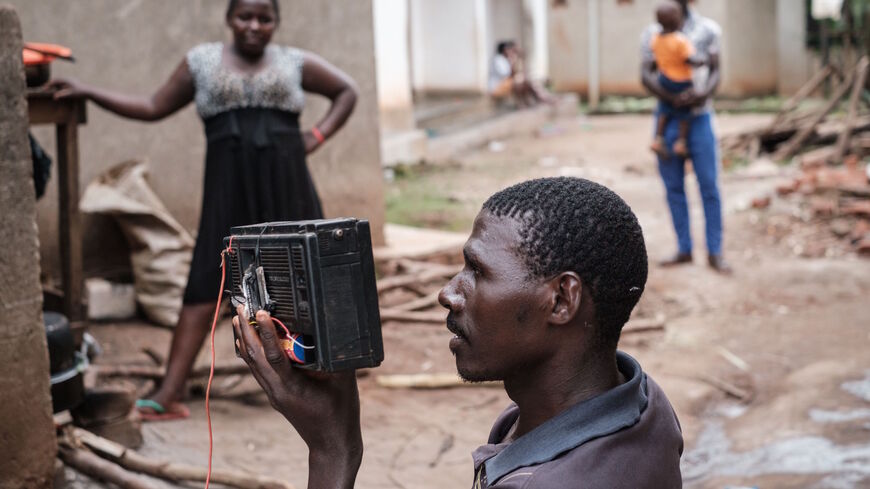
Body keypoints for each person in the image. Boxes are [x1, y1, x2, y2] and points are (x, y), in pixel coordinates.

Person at [234, 177, 684, 488]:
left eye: (478, 270)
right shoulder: (643, 402)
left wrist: (333, 451)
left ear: (562, 300)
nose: (448, 294)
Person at [50, 0, 358, 420]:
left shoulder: (294, 61)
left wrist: (316, 136)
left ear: (276, 23)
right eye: (244, 16)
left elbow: (347, 91)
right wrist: (89, 91)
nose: (254, 26)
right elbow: (152, 106)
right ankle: (170, 391)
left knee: (306, 274)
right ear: (229, 19)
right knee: (206, 282)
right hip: (228, 188)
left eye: (264, 18)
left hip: (287, 182)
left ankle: (328, 375)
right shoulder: (202, 61)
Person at [640, 0, 732, 274]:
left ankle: (715, 252)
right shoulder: (651, 33)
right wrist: (671, 98)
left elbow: (715, 70)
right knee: (673, 186)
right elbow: (646, 73)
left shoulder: (709, 29)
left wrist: (701, 95)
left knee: (709, 186)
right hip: (667, 117)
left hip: (700, 117)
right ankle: (684, 248)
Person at [649, 1, 704, 159]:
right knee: (684, 113)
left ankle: (658, 140)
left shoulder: (656, 39)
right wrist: (701, 61)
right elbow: (689, 59)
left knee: (664, 111)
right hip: (682, 81)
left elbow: (655, 59)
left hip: (664, 80)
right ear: (677, 20)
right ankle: (681, 143)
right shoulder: (680, 40)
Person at [489, 40, 553, 107]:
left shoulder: (505, 59)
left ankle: (539, 99)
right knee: (520, 81)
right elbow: (508, 75)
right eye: (509, 49)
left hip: (505, 84)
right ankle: (538, 99)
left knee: (526, 80)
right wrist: (514, 60)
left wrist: (521, 59)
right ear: (504, 50)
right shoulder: (498, 60)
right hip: (497, 87)